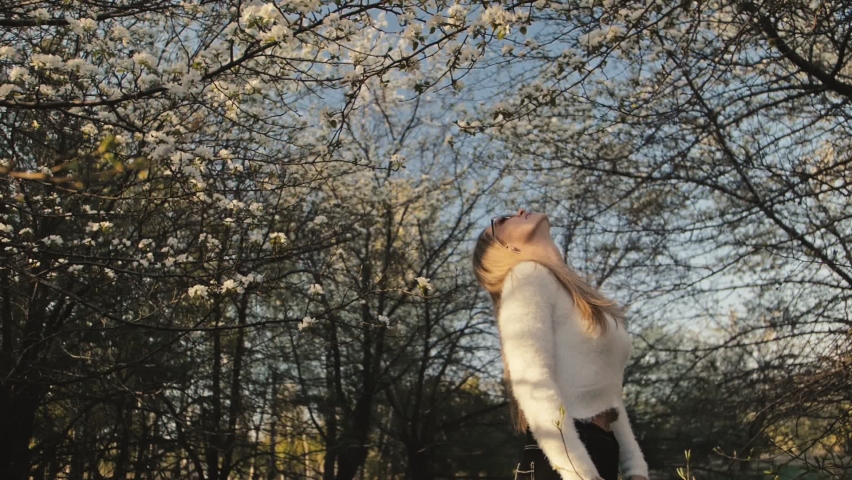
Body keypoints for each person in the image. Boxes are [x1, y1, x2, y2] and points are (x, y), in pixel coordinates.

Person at [472, 209, 649, 480]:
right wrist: (578, 472)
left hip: (598, 449)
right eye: (502, 221)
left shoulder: (572, 294)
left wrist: (635, 467)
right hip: (563, 458)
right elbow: (531, 381)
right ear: (506, 247)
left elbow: (607, 396)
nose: (518, 211)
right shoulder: (526, 277)